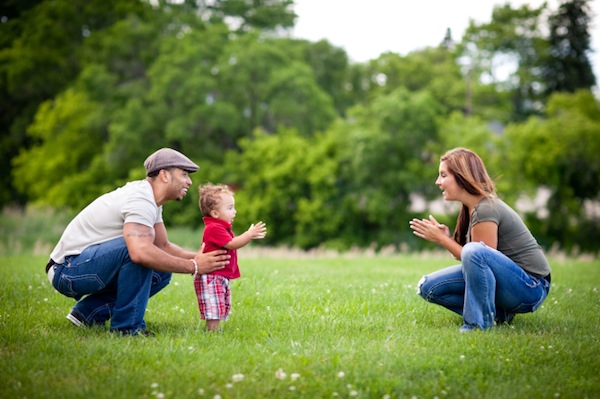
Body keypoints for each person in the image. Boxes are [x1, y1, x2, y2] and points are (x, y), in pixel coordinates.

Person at [46, 148, 231, 336]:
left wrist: (202, 258)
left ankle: (88, 313)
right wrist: (194, 266)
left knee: (161, 272)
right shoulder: (141, 200)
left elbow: (163, 246)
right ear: (164, 175)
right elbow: (139, 252)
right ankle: (127, 328)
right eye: (184, 174)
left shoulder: (151, 200)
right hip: (67, 270)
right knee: (139, 252)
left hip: (81, 267)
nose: (189, 181)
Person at [409, 148, 551, 332]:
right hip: (510, 284)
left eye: (443, 175)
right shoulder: (472, 209)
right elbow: (476, 265)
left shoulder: (486, 209)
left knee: (473, 251)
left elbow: (479, 257)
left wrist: (444, 240)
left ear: (462, 177)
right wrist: (446, 239)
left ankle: (477, 324)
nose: (438, 182)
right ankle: (499, 314)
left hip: (531, 287)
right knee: (428, 287)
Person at [195, 183, 267, 332]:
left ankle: (215, 330)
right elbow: (232, 244)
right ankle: (212, 332)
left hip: (218, 276)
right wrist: (249, 234)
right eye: (230, 208)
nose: (235, 211)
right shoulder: (214, 228)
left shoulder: (220, 227)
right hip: (211, 276)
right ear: (215, 213)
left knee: (220, 303)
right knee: (213, 306)